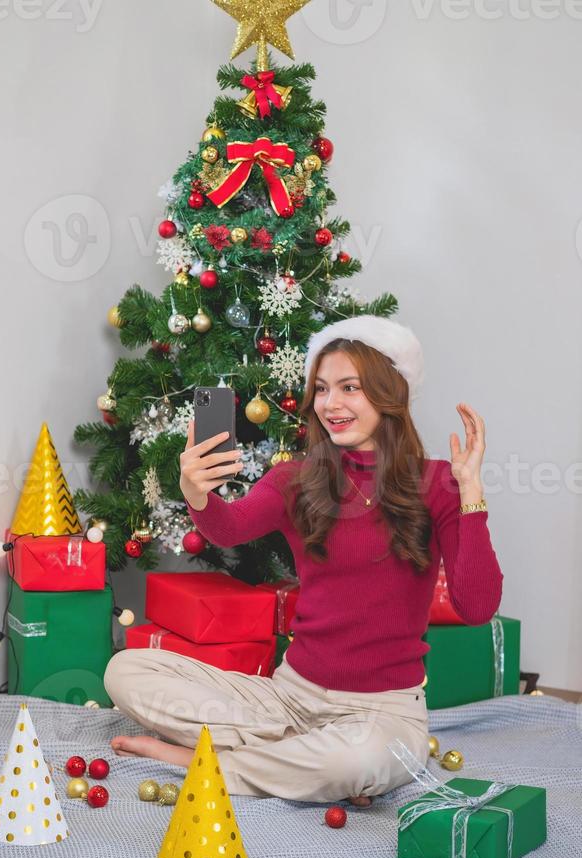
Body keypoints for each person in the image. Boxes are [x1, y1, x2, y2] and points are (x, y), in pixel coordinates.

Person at [105, 314, 503, 806]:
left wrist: (472, 496)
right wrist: (196, 490)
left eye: (349, 388)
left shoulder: (439, 483)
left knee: (360, 758)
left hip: (382, 714)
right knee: (124, 670)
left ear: (390, 393)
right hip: (287, 699)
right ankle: (296, 761)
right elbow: (229, 526)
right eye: (321, 389)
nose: (330, 404)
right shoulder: (299, 478)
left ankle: (210, 764)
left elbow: (477, 605)